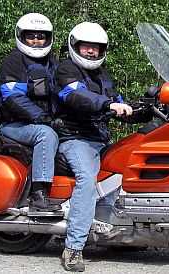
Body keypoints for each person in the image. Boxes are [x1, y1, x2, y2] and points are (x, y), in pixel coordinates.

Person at [55, 22, 136, 272]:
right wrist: (107, 106)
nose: (91, 52)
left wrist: (146, 108)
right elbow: (77, 96)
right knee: (87, 180)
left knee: (127, 173)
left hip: (99, 138)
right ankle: (73, 248)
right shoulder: (65, 70)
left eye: (96, 48)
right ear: (75, 46)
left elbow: (117, 101)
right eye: (86, 46)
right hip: (75, 138)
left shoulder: (102, 75)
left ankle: (122, 233)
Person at [0, 13, 60, 212]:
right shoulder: (14, 61)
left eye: (40, 36)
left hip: (42, 121)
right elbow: (12, 96)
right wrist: (40, 116)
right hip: (15, 124)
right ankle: (39, 194)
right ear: (21, 37)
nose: (36, 40)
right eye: (30, 36)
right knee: (45, 135)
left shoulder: (52, 62)